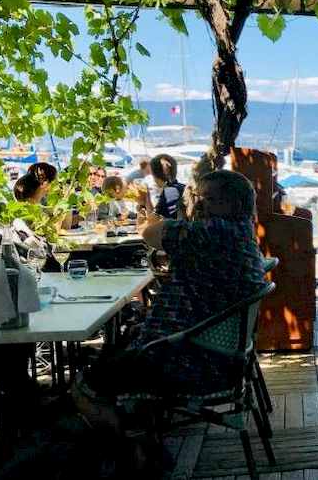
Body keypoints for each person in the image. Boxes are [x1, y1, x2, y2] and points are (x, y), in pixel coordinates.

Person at [76, 169, 267, 412]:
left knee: (91, 378)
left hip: (190, 362)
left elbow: (151, 235)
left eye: (207, 199)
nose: (199, 205)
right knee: (117, 347)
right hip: (219, 355)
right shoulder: (239, 231)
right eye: (198, 198)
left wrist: (154, 225)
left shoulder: (213, 232)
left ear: (234, 204)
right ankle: (132, 426)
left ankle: (122, 436)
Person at [145, 154, 185, 219]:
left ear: (154, 174)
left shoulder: (169, 191)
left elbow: (152, 221)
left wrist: (146, 199)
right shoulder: (181, 187)